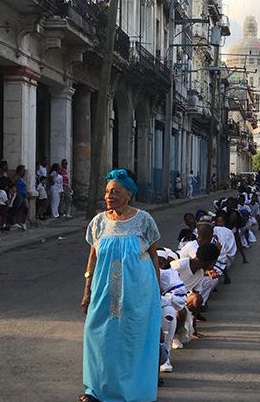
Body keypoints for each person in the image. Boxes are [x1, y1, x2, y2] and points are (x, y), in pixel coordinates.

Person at [80, 168, 161, 402]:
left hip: (137, 293)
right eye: (106, 192)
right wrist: (87, 289)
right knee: (98, 336)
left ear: (128, 194)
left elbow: (154, 255)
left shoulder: (144, 220)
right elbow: (92, 257)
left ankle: (132, 392)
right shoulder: (98, 223)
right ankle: (94, 390)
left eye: (114, 192)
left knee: (130, 340)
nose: (108, 196)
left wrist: (156, 289)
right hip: (105, 292)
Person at [157, 248, 187, 373]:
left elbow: (180, 300)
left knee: (169, 313)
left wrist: (163, 300)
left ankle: (165, 356)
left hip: (161, 304)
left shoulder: (169, 274)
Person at [10, 165, 29, 230]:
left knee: (26, 208)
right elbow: (11, 183)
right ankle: (13, 222)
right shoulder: (16, 177)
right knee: (16, 208)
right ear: (20, 171)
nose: (24, 172)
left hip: (24, 195)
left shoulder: (22, 178)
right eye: (23, 171)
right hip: (19, 194)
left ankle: (23, 222)